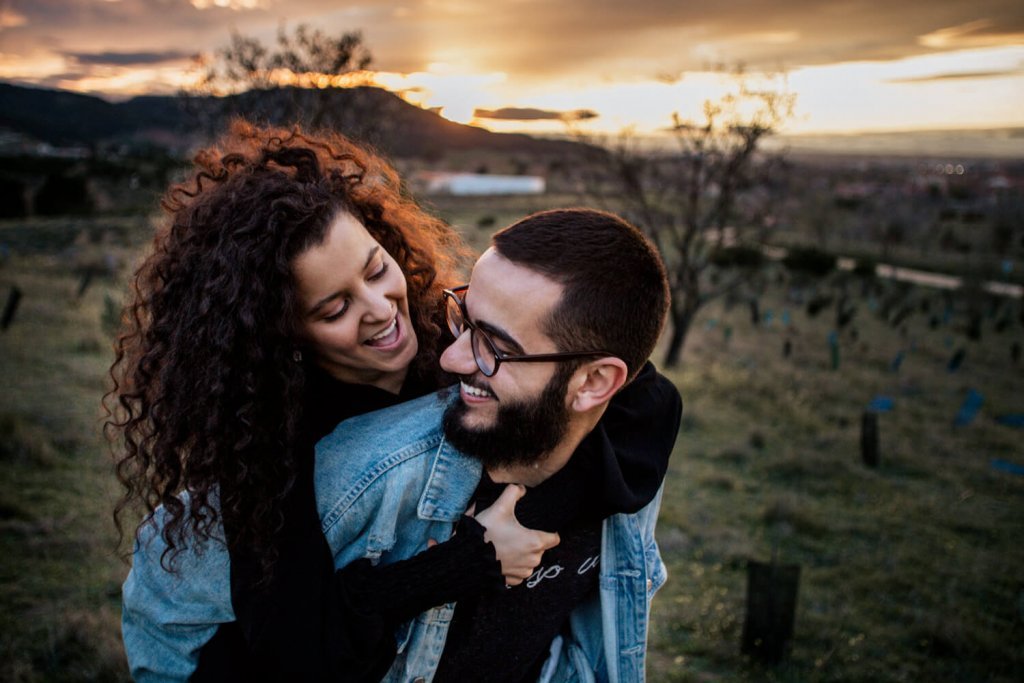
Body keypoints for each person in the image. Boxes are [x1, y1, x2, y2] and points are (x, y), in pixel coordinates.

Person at [110, 121, 559, 681]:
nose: (379, 308)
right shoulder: (277, 450)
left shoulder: (453, 339)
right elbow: (297, 653)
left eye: (375, 269)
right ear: (284, 336)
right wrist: (464, 564)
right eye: (333, 309)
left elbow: (642, 396)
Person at [315, 208, 682, 681]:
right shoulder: (371, 471)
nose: (451, 356)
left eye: (494, 345)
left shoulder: (632, 462)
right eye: (464, 320)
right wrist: (450, 568)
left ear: (595, 383)